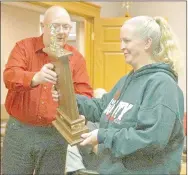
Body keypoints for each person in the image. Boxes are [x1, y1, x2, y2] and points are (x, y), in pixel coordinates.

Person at [52, 16, 185, 175]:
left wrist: (102, 136)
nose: (122, 47)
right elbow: (102, 107)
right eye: (121, 41)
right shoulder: (127, 80)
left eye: (127, 41)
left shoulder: (162, 85)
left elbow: (151, 139)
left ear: (147, 43)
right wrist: (68, 97)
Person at [2, 5, 93, 175]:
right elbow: (9, 76)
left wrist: (75, 106)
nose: (61, 31)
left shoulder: (76, 58)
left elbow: (85, 93)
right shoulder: (23, 47)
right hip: (20, 132)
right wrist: (35, 78)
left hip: (56, 134)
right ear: (43, 26)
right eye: (55, 26)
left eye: (66, 27)